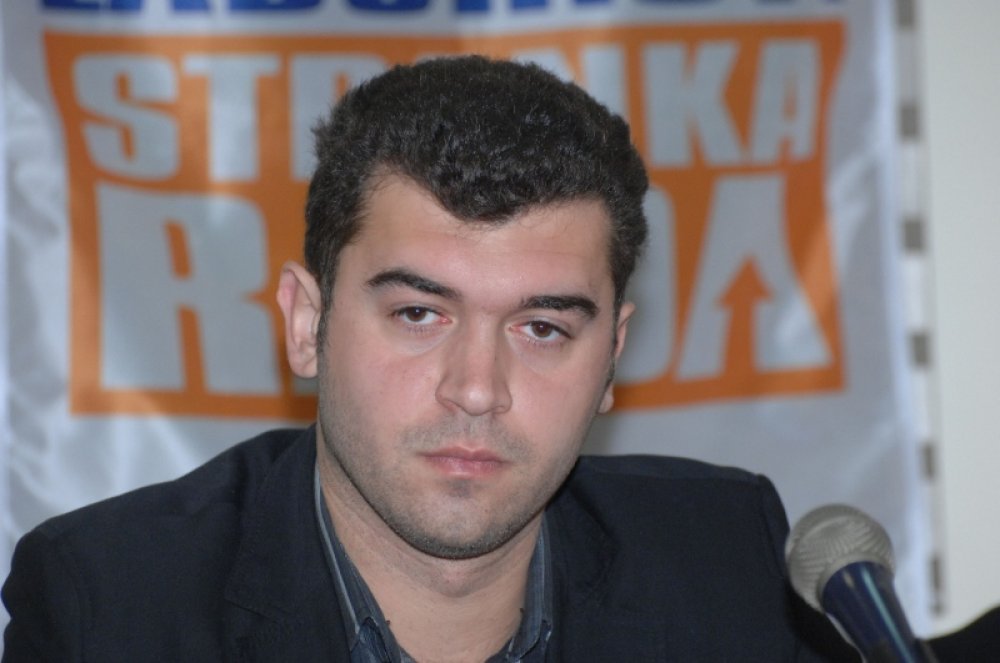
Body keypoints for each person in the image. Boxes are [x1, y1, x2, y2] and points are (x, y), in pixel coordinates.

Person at [2, 55, 854, 661]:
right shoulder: (108, 607)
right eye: (418, 314)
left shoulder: (727, 561)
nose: (477, 389)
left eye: (543, 328)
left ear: (612, 358)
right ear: (306, 323)